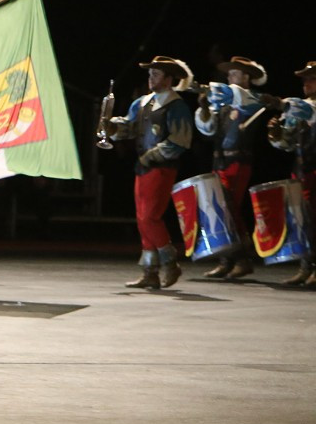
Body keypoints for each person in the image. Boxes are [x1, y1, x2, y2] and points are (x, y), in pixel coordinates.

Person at [107, 56, 194, 289]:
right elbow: (129, 126)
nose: (151, 78)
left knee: (149, 217)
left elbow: (180, 141)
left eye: (156, 74)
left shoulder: (177, 106)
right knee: (142, 219)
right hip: (143, 166)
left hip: (161, 167)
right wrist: (113, 127)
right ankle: (150, 272)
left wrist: (152, 155)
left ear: (169, 79)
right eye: (150, 74)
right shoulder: (143, 103)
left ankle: (170, 262)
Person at [194, 56, 267, 279]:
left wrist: (210, 93)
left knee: (228, 209)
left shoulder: (252, 99)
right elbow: (207, 131)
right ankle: (227, 260)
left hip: (238, 161)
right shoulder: (225, 104)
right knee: (221, 209)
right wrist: (205, 109)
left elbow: (239, 100)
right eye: (229, 74)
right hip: (220, 161)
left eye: (234, 74)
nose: (229, 78)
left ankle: (242, 259)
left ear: (247, 77)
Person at [266, 61, 316, 286]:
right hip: (301, 169)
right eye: (304, 79)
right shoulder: (299, 108)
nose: (306, 83)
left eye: (311, 78)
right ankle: (306, 266)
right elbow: (287, 144)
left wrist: (280, 103)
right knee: (301, 219)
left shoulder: (302, 108)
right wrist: (276, 135)